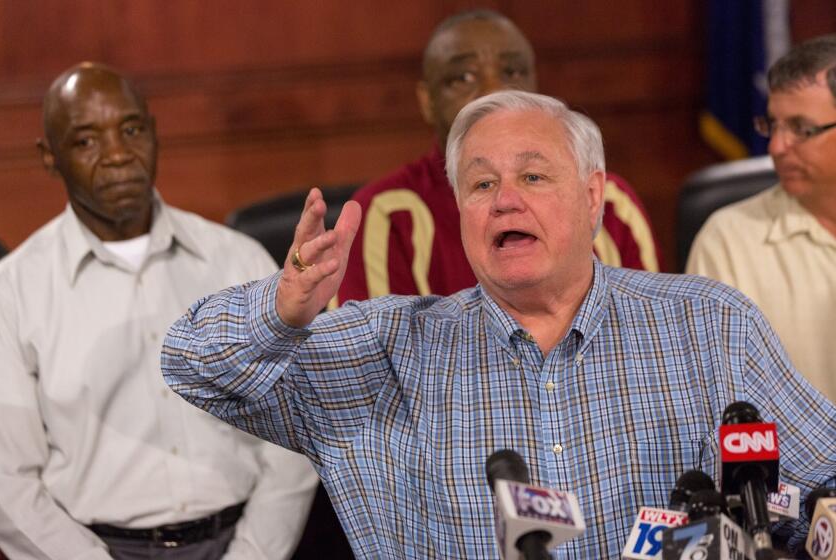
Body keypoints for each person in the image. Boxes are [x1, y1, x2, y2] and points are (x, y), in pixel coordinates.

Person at [162, 90, 835, 558]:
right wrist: (283, 313)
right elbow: (190, 364)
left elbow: (827, 479)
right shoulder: (387, 347)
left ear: (594, 195)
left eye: (534, 176)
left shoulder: (709, 326)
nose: (505, 199)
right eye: (481, 185)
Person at [0, 62, 318, 559]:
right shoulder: (12, 292)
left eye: (130, 130)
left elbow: (292, 435)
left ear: (153, 131)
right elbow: (8, 483)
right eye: (86, 141)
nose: (119, 155)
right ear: (49, 158)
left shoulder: (239, 261)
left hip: (244, 543)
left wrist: (252, 554)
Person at [336, 9, 662, 306]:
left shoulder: (610, 202)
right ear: (427, 101)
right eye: (463, 78)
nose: (494, 91)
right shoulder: (386, 214)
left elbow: (646, 333)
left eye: (512, 72)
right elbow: (373, 359)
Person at [686, 34, 836, 403]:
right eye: (772, 125)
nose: (775, 148)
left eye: (802, 129)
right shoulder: (729, 241)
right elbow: (714, 401)